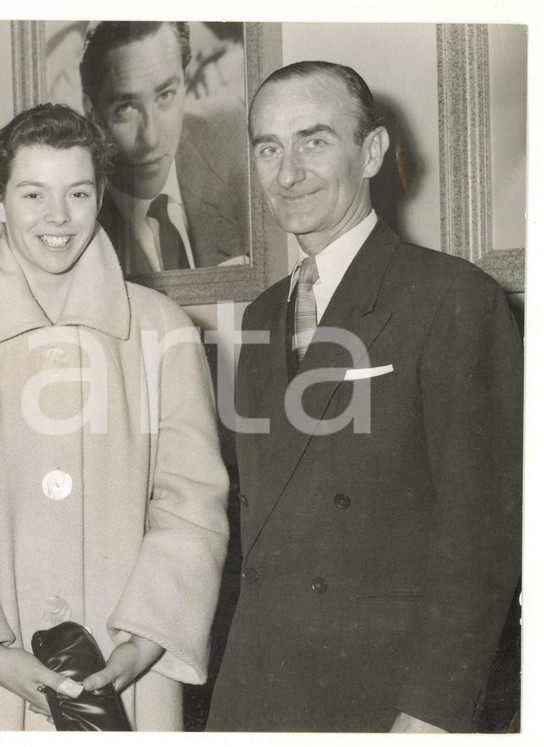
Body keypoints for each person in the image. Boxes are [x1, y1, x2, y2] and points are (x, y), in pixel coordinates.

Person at [0, 103, 230, 730]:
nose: (57, 217)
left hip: (126, 678)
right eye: (33, 193)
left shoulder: (162, 329)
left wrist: (142, 643)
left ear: (101, 197)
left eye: (78, 192)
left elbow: (192, 501)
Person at [206, 60, 522, 732]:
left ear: (371, 152)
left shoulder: (452, 297)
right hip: (260, 682)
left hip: (384, 691)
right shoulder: (262, 314)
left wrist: (435, 706)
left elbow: (484, 528)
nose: (287, 173)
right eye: (268, 148)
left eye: (314, 141)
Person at [80, 21, 249, 273]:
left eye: (166, 95)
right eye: (126, 107)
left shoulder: (234, 132)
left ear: (185, 82)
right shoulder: (76, 215)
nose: (152, 138)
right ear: (92, 112)